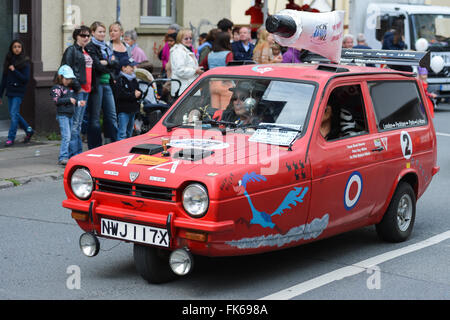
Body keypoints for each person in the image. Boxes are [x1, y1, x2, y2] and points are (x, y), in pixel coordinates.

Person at [85, 21, 119, 149]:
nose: (102, 34)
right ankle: (95, 146)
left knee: (111, 115)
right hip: (97, 84)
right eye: (100, 31)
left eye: (104, 32)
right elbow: (97, 66)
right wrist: (109, 63)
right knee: (95, 117)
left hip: (107, 83)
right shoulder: (90, 47)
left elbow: (117, 63)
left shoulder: (107, 46)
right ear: (93, 33)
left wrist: (107, 63)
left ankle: (112, 144)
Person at [61, 25, 93, 158]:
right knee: (75, 124)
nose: (86, 38)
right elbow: (66, 69)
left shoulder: (87, 51)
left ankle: (77, 152)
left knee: (79, 123)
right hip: (78, 90)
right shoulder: (71, 50)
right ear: (76, 36)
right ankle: (75, 153)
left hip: (86, 90)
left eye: (87, 35)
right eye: (82, 35)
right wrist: (77, 87)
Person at [0, 40, 33, 147]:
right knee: (15, 114)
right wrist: (0, 95)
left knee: (14, 115)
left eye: (19, 46)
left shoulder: (25, 61)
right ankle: (29, 130)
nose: (17, 49)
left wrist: (14, 70)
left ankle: (10, 138)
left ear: (22, 48)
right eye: (14, 47)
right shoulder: (8, 60)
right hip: (10, 91)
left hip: (19, 91)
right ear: (11, 49)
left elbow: (25, 79)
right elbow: (4, 79)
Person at [51, 65, 79, 165]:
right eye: (66, 79)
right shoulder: (56, 88)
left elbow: (72, 100)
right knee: (66, 136)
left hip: (70, 115)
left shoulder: (68, 88)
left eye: (70, 79)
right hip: (63, 115)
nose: (68, 81)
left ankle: (70, 155)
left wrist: (78, 103)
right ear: (60, 77)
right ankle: (63, 157)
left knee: (70, 136)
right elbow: (56, 100)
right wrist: (69, 100)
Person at [170, 29, 204, 96]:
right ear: (180, 39)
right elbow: (180, 70)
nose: (189, 40)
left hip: (187, 90)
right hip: (182, 91)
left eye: (190, 38)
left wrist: (196, 69)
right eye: (186, 38)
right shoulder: (178, 51)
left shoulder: (185, 50)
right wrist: (195, 71)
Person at [115, 57, 142, 140]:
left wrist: (139, 94)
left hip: (132, 109)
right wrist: (133, 95)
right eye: (131, 66)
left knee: (129, 132)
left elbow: (138, 90)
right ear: (124, 68)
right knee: (122, 132)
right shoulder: (120, 79)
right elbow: (120, 94)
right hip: (124, 110)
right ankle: (120, 150)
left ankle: (126, 149)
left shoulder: (133, 79)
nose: (133, 69)